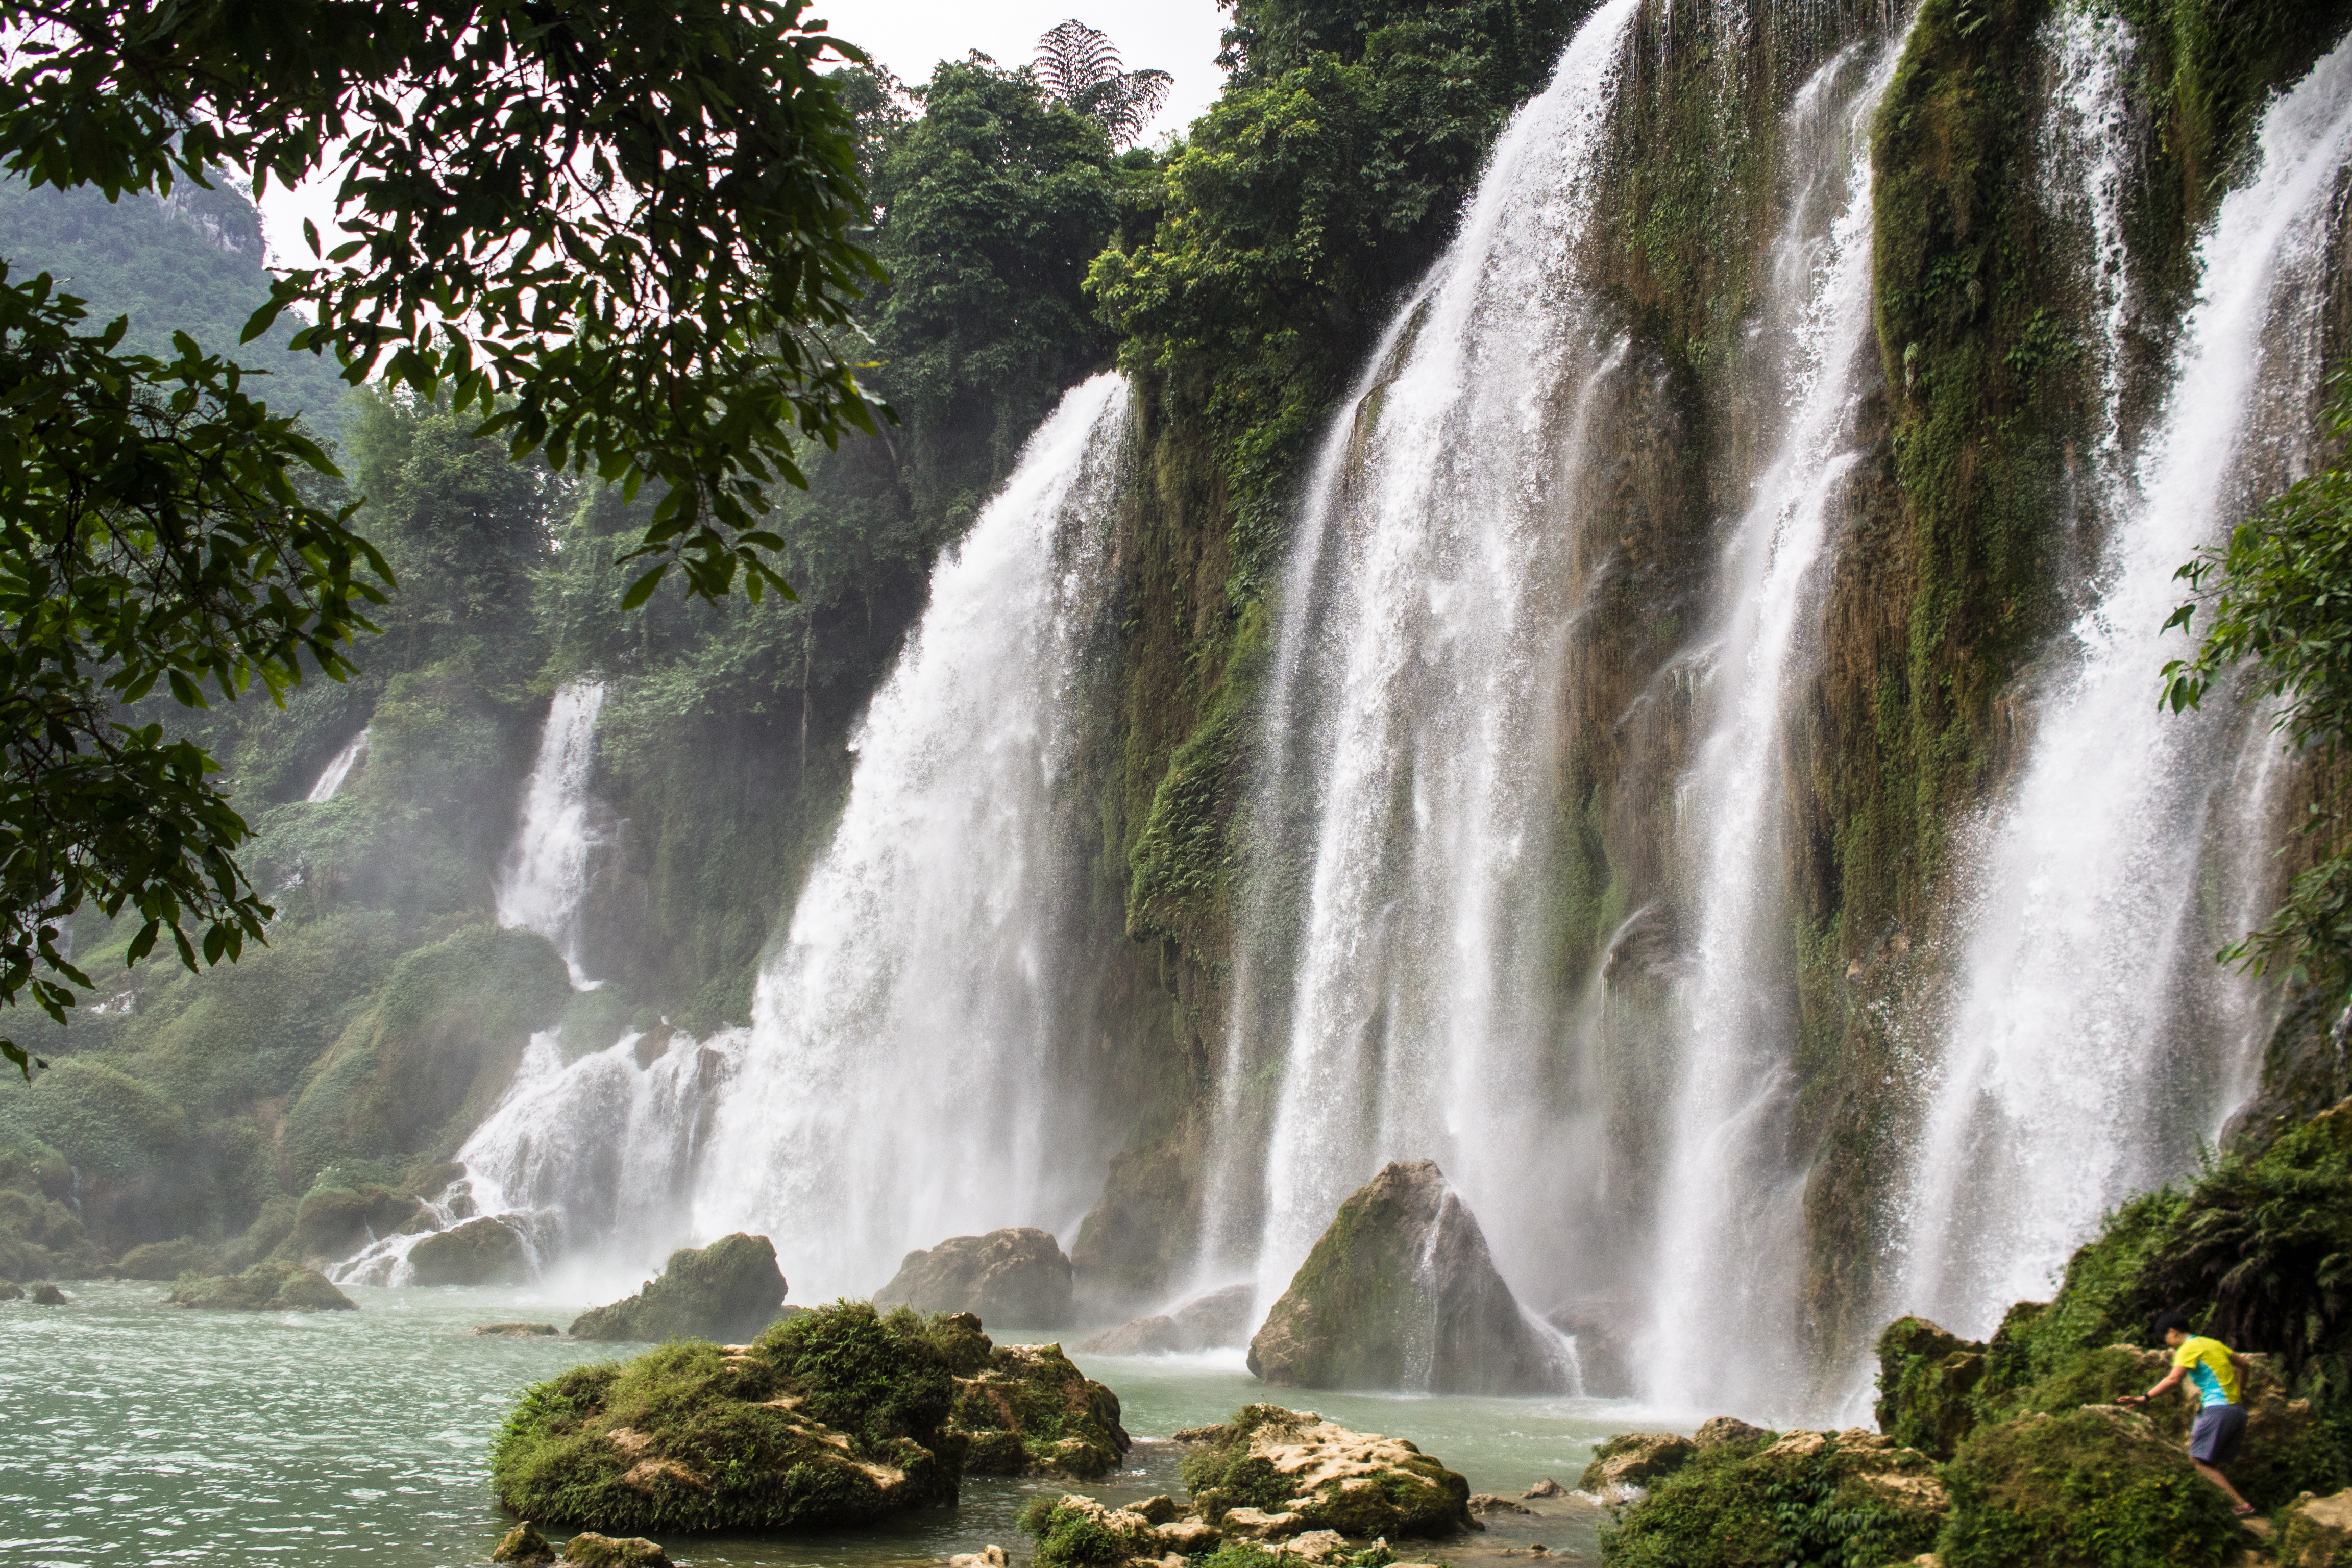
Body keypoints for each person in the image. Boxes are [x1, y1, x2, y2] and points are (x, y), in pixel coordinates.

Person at [2119, 1309, 2256, 1516]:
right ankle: (2223, 1509)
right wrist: (2240, 1391)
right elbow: (2244, 1365)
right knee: (2209, 1463)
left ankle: (2242, 1505)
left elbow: (2173, 1380)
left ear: (2172, 1332)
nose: (2167, 1345)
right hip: (2237, 1411)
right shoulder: (2212, 1343)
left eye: (2165, 1339)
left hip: (2217, 1409)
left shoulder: (2187, 1348)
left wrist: (2144, 1398)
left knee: (2197, 1462)